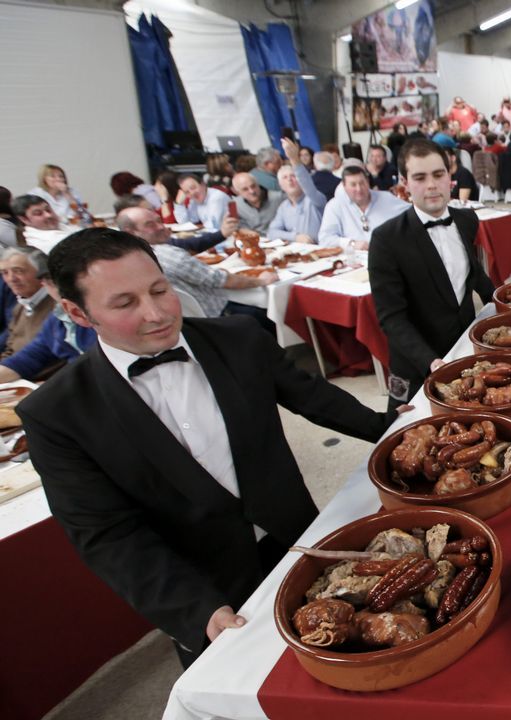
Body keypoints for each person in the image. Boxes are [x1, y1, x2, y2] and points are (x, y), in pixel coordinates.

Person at [19, 227, 405, 667]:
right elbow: (107, 535)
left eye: (160, 290)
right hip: (208, 587)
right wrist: (196, 610)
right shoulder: (56, 413)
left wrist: (393, 428)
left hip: (300, 545)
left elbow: (316, 399)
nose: (156, 313)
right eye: (125, 304)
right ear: (79, 313)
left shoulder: (239, 338)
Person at [369, 140, 496, 408]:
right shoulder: (386, 239)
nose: (431, 184)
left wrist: (503, 304)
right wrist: (430, 360)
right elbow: (392, 318)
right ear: (404, 182)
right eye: (419, 177)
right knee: (403, 430)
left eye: (438, 175)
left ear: (449, 175)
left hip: (463, 347)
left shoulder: (466, 220)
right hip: (415, 363)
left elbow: (472, 275)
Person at [115, 207, 276, 321]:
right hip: (215, 317)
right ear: (131, 232)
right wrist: (262, 280)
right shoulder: (168, 255)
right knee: (268, 312)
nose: (161, 226)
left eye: (159, 220)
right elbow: (222, 280)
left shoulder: (127, 258)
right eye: (150, 225)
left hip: (179, 320)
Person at [0, 272, 96, 382]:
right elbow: (28, 358)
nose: (61, 287)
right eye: (50, 281)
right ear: (44, 284)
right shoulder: (55, 319)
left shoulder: (98, 314)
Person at [317, 166, 409, 250]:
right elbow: (325, 240)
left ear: (368, 182)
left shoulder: (386, 198)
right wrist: (351, 243)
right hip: (353, 262)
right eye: (353, 185)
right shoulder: (335, 205)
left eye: (362, 183)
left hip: (386, 256)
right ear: (344, 186)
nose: (359, 189)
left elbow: (413, 213)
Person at [0, 247, 57, 359]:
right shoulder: (20, 307)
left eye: (18, 271)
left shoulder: (58, 308)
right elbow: (10, 350)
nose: (11, 279)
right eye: (5, 273)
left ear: (41, 272)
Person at [268, 138, 327, 243]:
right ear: (281, 185)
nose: (290, 180)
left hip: (320, 251)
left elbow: (306, 182)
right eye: (285, 178)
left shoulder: (314, 199)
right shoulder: (284, 207)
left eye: (293, 176)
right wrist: (295, 237)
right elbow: (272, 232)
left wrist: (294, 159)